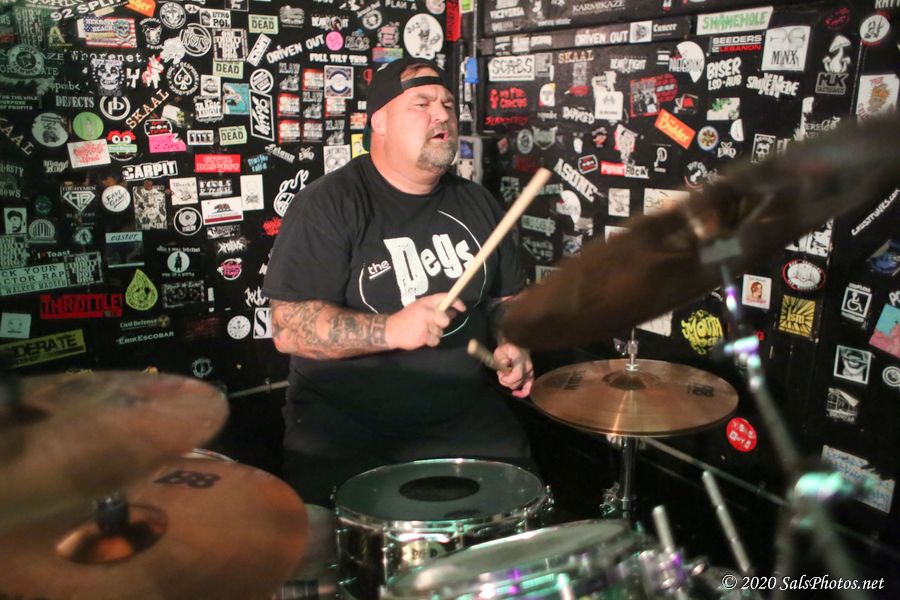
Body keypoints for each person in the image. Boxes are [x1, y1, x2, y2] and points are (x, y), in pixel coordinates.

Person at [263, 58, 534, 506]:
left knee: (520, 509)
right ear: (380, 122)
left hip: (463, 417)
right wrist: (391, 329)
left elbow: (507, 299)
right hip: (350, 429)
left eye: (448, 104)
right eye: (421, 104)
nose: (442, 114)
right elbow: (289, 326)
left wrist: (513, 342)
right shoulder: (330, 204)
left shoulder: (477, 202)